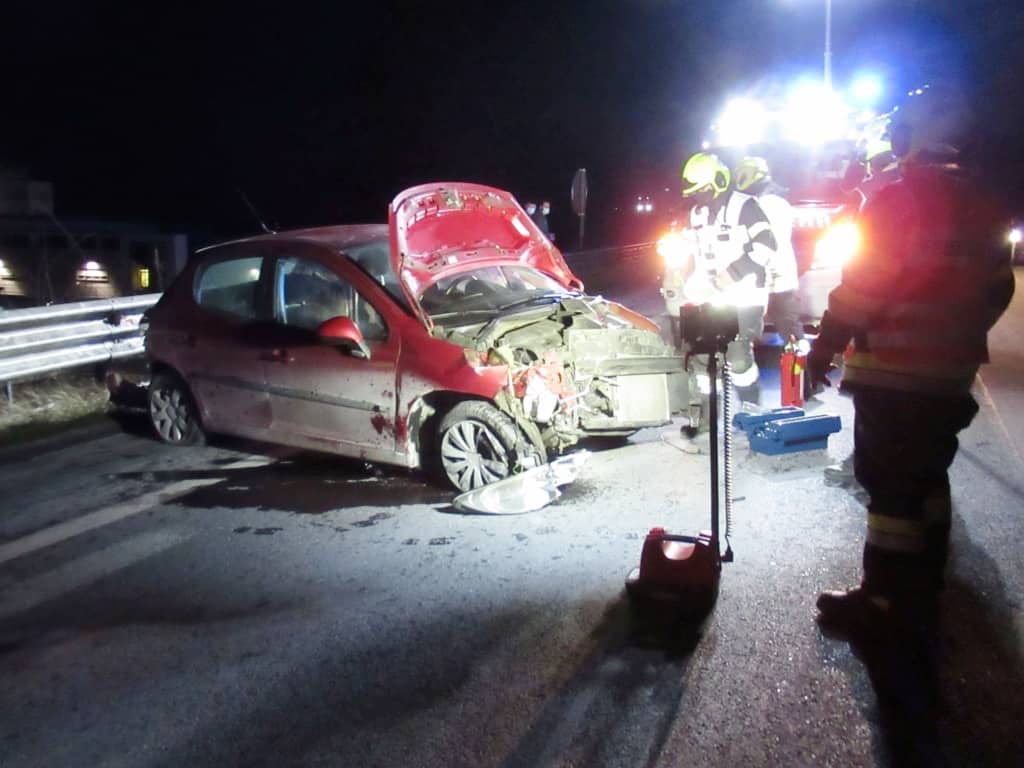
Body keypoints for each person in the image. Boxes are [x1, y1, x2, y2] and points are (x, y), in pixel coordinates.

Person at [807, 83, 1015, 642]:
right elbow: (998, 289)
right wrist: (957, 335)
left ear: (911, 135)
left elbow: (862, 288)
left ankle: (884, 603)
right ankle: (924, 586)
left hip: (896, 375)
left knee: (891, 490)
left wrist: (825, 343)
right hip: (949, 375)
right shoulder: (984, 206)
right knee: (928, 477)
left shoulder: (898, 201)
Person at [678, 151, 777, 428]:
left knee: (737, 358)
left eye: (703, 190)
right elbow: (692, 253)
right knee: (701, 360)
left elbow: (766, 245)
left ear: (718, 182)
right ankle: (710, 419)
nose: (699, 197)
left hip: (744, 296)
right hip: (708, 298)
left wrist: (731, 274)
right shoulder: (696, 214)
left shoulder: (745, 206)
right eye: (695, 192)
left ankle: (752, 414)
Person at [733, 156, 802, 342]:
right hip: (780, 281)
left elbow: (764, 245)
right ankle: (805, 367)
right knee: (792, 333)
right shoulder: (779, 203)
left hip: (767, 281)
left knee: (745, 336)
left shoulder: (761, 205)